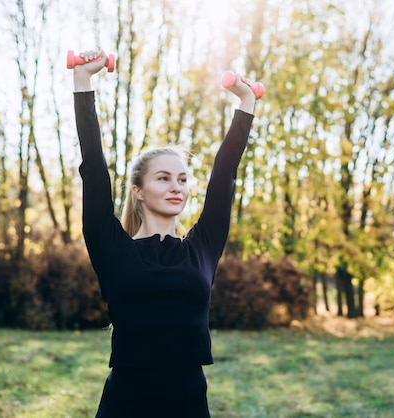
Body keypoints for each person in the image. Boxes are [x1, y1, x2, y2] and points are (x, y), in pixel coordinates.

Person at [72, 50, 257, 417]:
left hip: (188, 400)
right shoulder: (112, 248)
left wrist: (246, 102)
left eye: (183, 179)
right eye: (163, 178)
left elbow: (224, 174)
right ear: (137, 190)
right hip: (126, 401)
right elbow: (93, 168)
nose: (177, 188)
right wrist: (83, 82)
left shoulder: (202, 247)